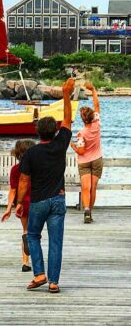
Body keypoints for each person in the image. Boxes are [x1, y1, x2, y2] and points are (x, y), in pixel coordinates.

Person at [15, 77, 75, 294]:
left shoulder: (31, 153)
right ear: (54, 131)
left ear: (38, 132)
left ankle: (39, 273)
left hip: (39, 201)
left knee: (32, 235)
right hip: (58, 199)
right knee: (56, 242)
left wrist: (19, 202)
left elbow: (23, 180)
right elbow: (68, 121)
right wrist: (66, 94)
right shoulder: (60, 145)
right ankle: (53, 282)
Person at [70, 81, 102, 223]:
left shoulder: (81, 133)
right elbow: (97, 105)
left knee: (85, 188)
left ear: (83, 119)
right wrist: (93, 89)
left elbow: (81, 151)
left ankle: (86, 210)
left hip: (84, 162)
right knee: (93, 188)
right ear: (92, 117)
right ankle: (91, 212)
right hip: (97, 159)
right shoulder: (97, 124)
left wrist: (73, 147)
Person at [1, 139, 36, 272]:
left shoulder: (15, 169)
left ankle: (25, 262)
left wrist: (8, 209)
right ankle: (35, 257)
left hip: (22, 204)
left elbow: (13, 190)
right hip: (37, 202)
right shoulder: (37, 168)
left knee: (25, 230)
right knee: (35, 232)